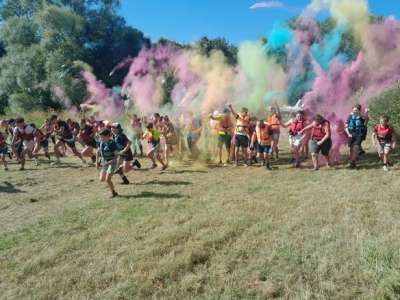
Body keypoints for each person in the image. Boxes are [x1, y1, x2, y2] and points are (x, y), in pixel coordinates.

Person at [96, 128, 119, 198]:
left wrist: (108, 163)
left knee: (108, 179)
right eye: (100, 137)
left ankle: (114, 193)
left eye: (102, 137)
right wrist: (97, 162)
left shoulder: (112, 143)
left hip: (112, 162)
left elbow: (116, 156)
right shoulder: (101, 143)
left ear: (108, 136)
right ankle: (118, 171)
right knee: (101, 179)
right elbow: (98, 152)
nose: (101, 138)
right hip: (105, 161)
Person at [345, 105, 368, 169]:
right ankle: (353, 160)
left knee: (356, 147)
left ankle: (352, 163)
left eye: (356, 110)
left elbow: (366, 121)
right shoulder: (350, 116)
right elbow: (346, 126)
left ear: (359, 110)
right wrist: (348, 133)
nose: (355, 111)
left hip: (359, 134)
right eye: (354, 110)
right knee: (351, 148)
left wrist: (366, 113)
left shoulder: (362, 116)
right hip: (351, 134)